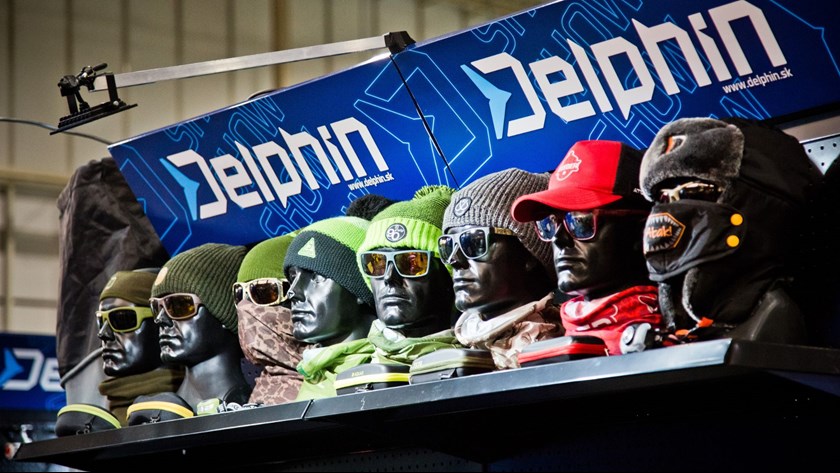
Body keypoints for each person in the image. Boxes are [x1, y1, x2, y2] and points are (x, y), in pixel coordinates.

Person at [638, 117, 823, 344]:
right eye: (664, 198)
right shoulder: (679, 324)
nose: (672, 211)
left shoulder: (775, 315)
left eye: (694, 191)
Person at [511, 140, 664, 355]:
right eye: (550, 224)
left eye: (579, 221)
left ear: (643, 228)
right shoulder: (547, 347)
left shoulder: (679, 338)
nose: (559, 239)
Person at [441, 168, 562, 369]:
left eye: (474, 242)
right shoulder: (452, 350)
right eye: (447, 245)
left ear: (528, 252)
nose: (454, 260)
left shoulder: (548, 353)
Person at [356, 185, 461, 365]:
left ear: (449, 275)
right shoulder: (357, 371)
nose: (389, 278)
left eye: (412, 263)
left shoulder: (487, 362)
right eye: (376, 263)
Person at [282, 216, 378, 399]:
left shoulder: (386, 375)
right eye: (293, 277)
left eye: (317, 277)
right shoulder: (313, 377)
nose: (293, 292)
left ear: (361, 285)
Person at [149, 243, 251, 409]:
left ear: (226, 310)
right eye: (156, 307)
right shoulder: (163, 408)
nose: (161, 319)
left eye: (179, 305)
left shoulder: (248, 405)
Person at [96, 269, 184, 425]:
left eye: (122, 318)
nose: (103, 334)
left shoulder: (189, 409)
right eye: (101, 321)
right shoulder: (98, 421)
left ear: (160, 322)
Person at [235, 232, 309, 405]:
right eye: (239, 294)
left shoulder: (336, 381)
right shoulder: (260, 393)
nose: (247, 307)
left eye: (264, 292)